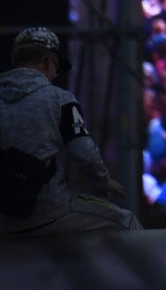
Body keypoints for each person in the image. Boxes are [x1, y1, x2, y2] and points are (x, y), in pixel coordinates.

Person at [0, 27, 140, 235]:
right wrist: (102, 181)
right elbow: (84, 153)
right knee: (127, 221)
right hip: (48, 213)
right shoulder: (59, 98)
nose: (56, 74)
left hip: (3, 220)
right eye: (56, 66)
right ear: (48, 60)